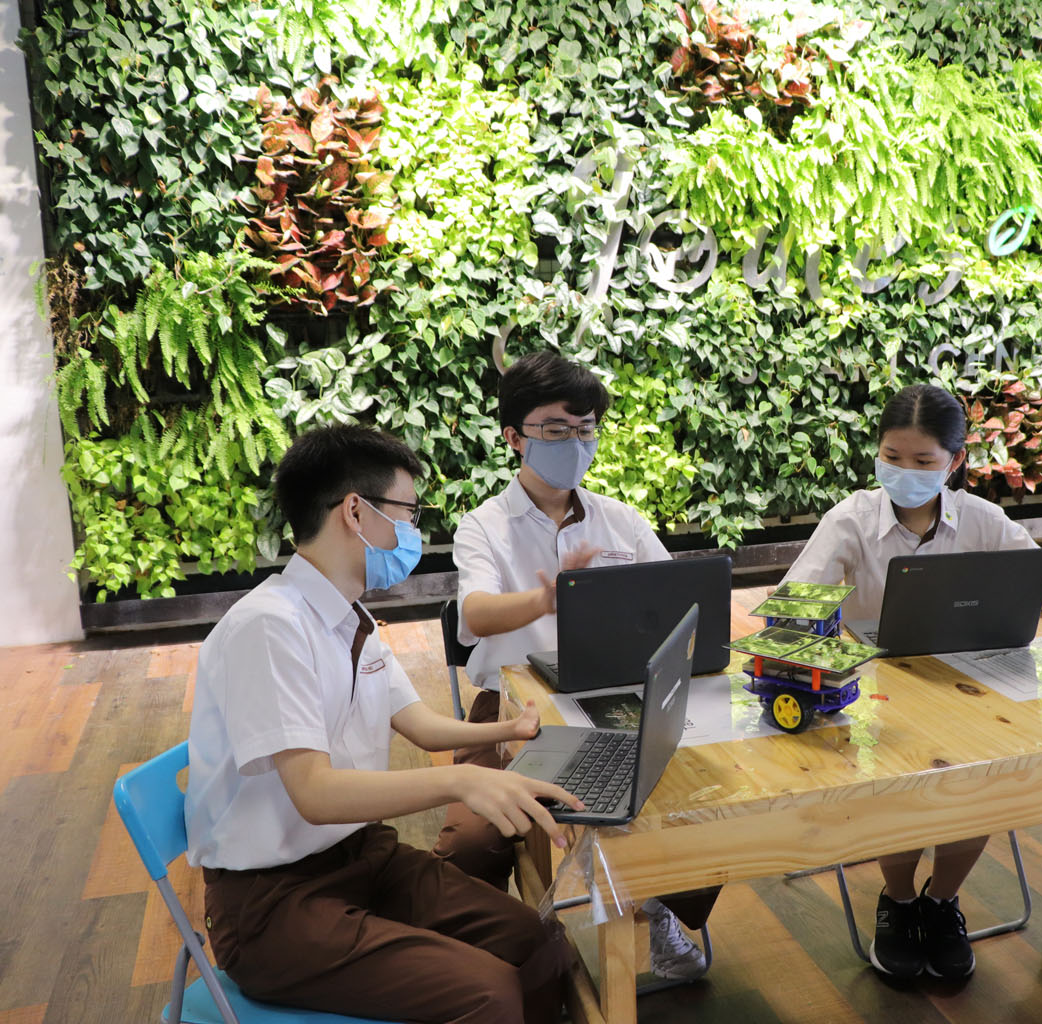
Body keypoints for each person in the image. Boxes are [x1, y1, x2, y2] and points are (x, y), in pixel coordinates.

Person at [186, 425, 580, 1024]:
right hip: (274, 904)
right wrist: (460, 783)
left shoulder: (350, 615)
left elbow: (419, 724)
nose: (414, 531)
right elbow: (314, 793)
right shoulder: (268, 627)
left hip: (361, 856)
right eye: (407, 512)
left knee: (539, 942)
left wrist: (507, 733)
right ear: (355, 511)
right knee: (490, 993)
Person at [437, 349, 715, 980]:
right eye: (555, 430)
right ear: (514, 438)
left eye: (585, 429)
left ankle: (661, 908)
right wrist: (546, 598)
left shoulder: (621, 520)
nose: (574, 443)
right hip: (513, 711)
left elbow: (677, 604)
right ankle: (484, 959)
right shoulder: (484, 526)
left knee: (708, 798)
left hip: (614, 701)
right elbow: (474, 614)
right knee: (471, 842)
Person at [784, 383, 1042, 981]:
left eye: (923, 462)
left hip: (973, 691)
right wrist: (831, 648)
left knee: (987, 776)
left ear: (955, 462)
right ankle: (899, 900)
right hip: (883, 696)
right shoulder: (851, 520)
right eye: (892, 457)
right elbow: (795, 609)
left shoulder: (984, 519)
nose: (903, 471)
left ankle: (942, 902)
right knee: (900, 778)